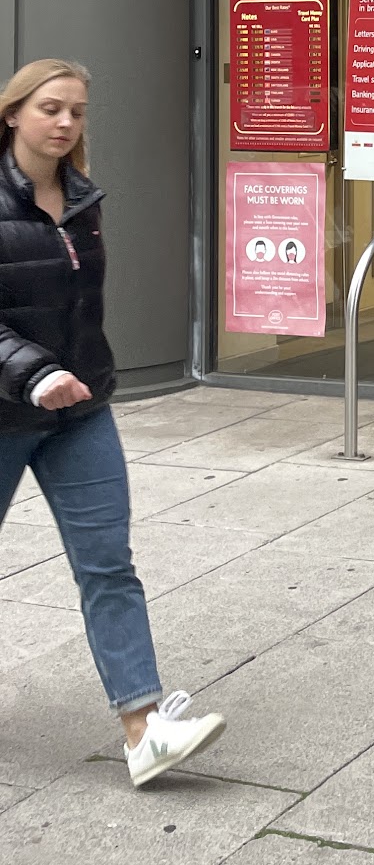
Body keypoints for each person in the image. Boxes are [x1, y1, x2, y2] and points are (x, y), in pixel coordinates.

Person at [0, 58, 226, 787]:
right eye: (50, 108)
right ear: (13, 113)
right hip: (6, 411)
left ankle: (144, 730)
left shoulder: (82, 198)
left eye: (77, 112)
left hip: (81, 411)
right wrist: (33, 373)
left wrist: (81, 376)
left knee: (109, 567)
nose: (65, 123)